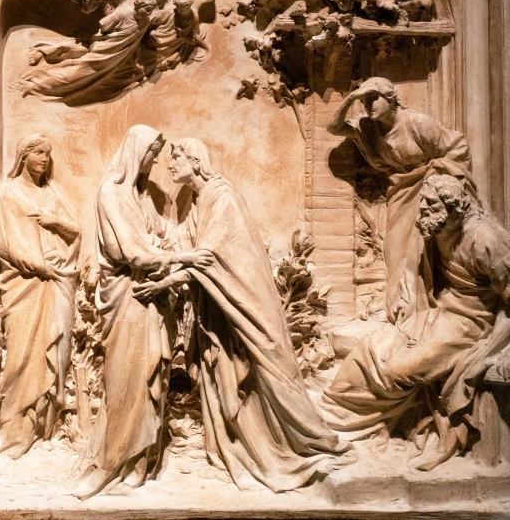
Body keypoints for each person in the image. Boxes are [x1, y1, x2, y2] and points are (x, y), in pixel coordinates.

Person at [133, 138, 352, 493]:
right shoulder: (199, 200)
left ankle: (310, 440)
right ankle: (239, 446)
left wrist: (165, 280)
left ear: (194, 159)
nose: (169, 166)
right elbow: (198, 256)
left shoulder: (222, 197)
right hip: (219, 307)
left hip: (246, 303)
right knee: (229, 378)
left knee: (269, 372)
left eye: (175, 159)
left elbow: (210, 259)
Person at [320, 175, 510, 470]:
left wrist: (491, 351)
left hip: (470, 324)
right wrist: (405, 299)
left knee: (399, 368)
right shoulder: (438, 228)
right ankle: (332, 416)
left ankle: (353, 424)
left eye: (431, 204)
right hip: (436, 313)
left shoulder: (487, 241)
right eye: (423, 201)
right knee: (371, 347)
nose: (423, 209)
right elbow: (418, 271)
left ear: (453, 207)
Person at [74, 125, 212, 499]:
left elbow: (159, 235)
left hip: (153, 297)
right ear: (137, 151)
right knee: (128, 379)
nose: (155, 161)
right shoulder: (111, 193)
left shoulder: (142, 195)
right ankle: (115, 460)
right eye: (152, 152)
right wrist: (182, 256)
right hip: (128, 298)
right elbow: (129, 254)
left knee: (155, 377)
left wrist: (170, 244)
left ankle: (141, 462)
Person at [327, 76, 476, 330]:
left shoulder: (416, 122)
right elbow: (333, 127)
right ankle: (401, 305)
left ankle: (422, 306)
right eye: (364, 101)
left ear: (391, 98)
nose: (368, 105)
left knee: (424, 247)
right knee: (394, 247)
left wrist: (437, 178)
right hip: (400, 190)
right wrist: (351, 98)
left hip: (429, 187)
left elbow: (457, 147)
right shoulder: (367, 128)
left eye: (373, 99)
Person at [0, 134, 80, 459]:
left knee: (53, 355)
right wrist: (37, 264)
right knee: (21, 356)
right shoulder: (7, 193)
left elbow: (76, 231)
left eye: (48, 153)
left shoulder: (50, 194)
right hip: (23, 285)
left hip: (55, 282)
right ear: (24, 155)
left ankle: (43, 429)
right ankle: (13, 433)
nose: (45, 158)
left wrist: (55, 223)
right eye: (39, 152)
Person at [14, 0, 158, 104]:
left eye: (150, 10)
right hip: (101, 54)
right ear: (137, 4)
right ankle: (34, 84)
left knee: (73, 62)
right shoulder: (122, 14)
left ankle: (43, 54)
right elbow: (103, 26)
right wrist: (103, 40)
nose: (149, 13)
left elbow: (134, 42)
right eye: (147, 9)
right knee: (75, 74)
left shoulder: (144, 21)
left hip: (112, 58)